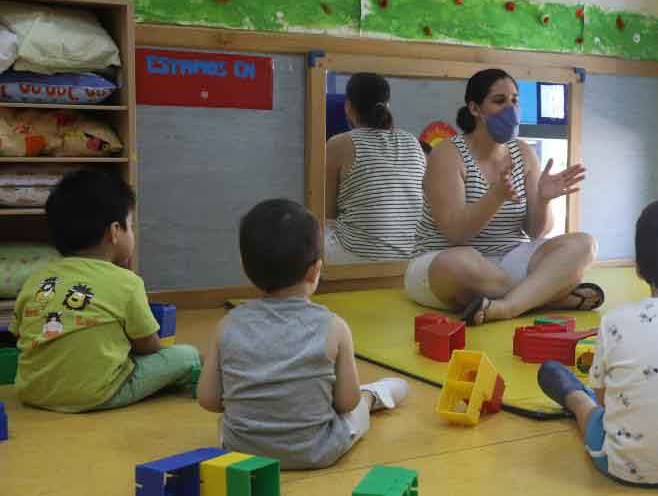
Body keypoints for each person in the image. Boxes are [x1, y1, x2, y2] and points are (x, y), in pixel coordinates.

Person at [537, 195, 658, 487]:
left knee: (589, 410)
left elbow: (606, 400)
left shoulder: (614, 321)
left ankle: (573, 397)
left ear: (639, 269)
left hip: (621, 466)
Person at [197, 199, 409, 469]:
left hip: (242, 452)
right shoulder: (334, 327)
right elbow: (346, 402)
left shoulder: (227, 326)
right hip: (316, 450)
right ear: (315, 270)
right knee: (357, 410)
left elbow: (208, 399)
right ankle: (375, 395)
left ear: (244, 265)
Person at [407, 68, 600, 324]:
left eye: (514, 100)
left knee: (584, 244)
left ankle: (508, 306)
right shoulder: (447, 155)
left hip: (508, 260)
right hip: (444, 263)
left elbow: (536, 232)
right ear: (475, 109)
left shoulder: (523, 152)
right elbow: (456, 233)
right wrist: (495, 197)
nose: (511, 109)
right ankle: (548, 296)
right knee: (459, 262)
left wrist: (543, 200)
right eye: (499, 101)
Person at [11, 168, 200, 412]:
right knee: (186, 355)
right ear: (114, 232)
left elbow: (20, 335)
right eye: (130, 226)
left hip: (32, 391)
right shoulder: (126, 282)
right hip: (95, 393)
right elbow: (148, 346)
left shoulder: (36, 280)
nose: (132, 233)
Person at [325, 72, 425, 263]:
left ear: (348, 106)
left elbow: (326, 213)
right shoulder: (412, 141)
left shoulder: (339, 144)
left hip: (355, 256)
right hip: (410, 257)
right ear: (387, 105)